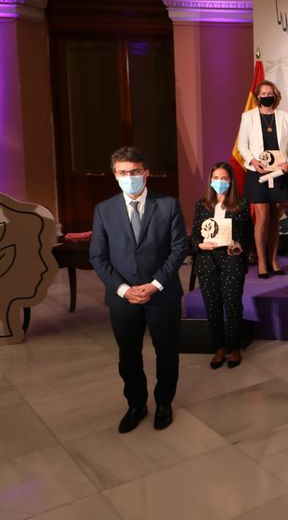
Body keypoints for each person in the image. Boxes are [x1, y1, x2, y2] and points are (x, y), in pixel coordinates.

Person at [89, 146, 189, 433]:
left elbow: (179, 248)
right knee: (128, 355)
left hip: (162, 294)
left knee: (166, 352)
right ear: (114, 175)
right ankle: (136, 404)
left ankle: (164, 403)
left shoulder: (168, 205)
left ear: (146, 173)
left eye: (134, 172)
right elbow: (98, 256)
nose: (129, 177)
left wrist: (155, 284)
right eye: (123, 173)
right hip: (123, 298)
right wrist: (123, 289)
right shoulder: (104, 210)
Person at [190, 163, 251, 370]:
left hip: (231, 259)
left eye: (224, 178)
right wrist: (200, 245)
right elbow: (195, 235)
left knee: (232, 304)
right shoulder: (202, 204)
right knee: (212, 306)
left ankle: (234, 348)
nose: (220, 182)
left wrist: (239, 246)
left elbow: (247, 235)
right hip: (207, 260)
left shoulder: (241, 204)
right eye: (216, 178)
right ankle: (218, 347)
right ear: (210, 180)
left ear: (231, 181)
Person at [236, 80, 288, 279]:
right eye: (263, 93)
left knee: (275, 218)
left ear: (275, 96)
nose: (266, 96)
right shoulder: (248, 117)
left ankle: (273, 259)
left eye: (270, 93)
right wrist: (252, 161)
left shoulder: (284, 117)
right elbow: (242, 145)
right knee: (262, 217)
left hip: (279, 172)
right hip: (257, 172)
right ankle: (262, 261)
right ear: (258, 96)